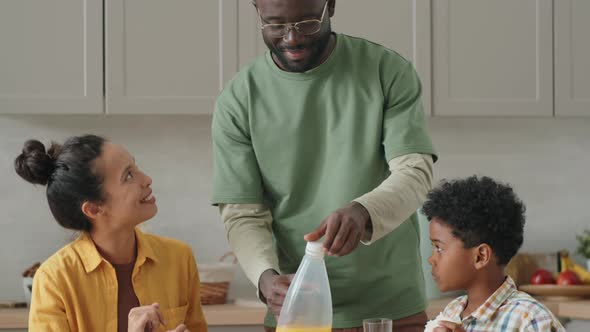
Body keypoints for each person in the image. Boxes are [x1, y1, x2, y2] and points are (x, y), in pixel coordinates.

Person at [211, 0, 437, 330]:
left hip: (390, 311)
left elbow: (415, 173)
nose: (291, 39)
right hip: (296, 313)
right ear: (256, 9)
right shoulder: (239, 99)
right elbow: (242, 211)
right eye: (275, 25)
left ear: (330, 6)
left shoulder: (386, 71)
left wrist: (363, 211)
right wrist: (265, 278)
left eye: (306, 24)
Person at [15, 135, 207, 332]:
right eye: (129, 175)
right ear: (94, 209)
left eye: (135, 167)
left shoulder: (179, 259)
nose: (147, 179)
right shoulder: (54, 280)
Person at [422, 176, 565, 332]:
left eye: (439, 248)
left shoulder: (531, 320)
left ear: (480, 256)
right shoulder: (452, 312)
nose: (431, 259)